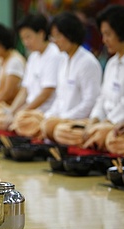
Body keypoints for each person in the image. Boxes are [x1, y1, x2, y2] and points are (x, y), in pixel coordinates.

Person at [62, 5, 124, 151]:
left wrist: (105, 124)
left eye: (108, 34)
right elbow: (102, 98)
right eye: (103, 34)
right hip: (106, 123)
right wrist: (94, 120)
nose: (104, 40)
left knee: (108, 139)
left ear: (122, 33)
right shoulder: (112, 62)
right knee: (61, 129)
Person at [40, 12, 102, 144]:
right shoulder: (63, 60)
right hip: (61, 119)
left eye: (58, 36)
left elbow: (90, 102)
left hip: (78, 121)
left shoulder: (87, 62)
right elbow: (59, 98)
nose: (54, 41)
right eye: (53, 36)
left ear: (70, 34)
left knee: (58, 130)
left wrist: (64, 118)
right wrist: (48, 116)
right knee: (32, 121)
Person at [4, 13, 62, 137]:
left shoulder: (54, 54)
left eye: (28, 37)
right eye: (23, 38)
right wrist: (12, 111)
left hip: (44, 112)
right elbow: (24, 90)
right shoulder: (33, 56)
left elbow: (47, 92)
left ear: (41, 34)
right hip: (28, 110)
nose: (25, 42)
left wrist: (22, 111)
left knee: (21, 121)